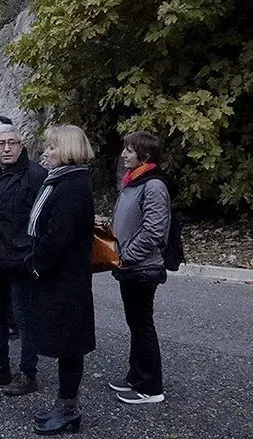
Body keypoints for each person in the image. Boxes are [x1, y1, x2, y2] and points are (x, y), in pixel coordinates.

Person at [26, 125, 96, 435]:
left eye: (53, 147)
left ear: (67, 149)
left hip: (66, 280)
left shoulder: (71, 186)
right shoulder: (65, 181)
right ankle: (65, 406)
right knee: (66, 344)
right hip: (63, 277)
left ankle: (68, 409)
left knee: (69, 346)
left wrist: (37, 265)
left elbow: (57, 236)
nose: (46, 152)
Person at [0, 123, 46, 396]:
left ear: (21, 145)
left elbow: (44, 220)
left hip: (20, 260)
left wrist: (32, 254)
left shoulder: (35, 175)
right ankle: (0, 366)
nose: (7, 148)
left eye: (12, 143)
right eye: (1, 143)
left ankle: (28, 372)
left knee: (24, 319)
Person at [110, 130, 171, 405]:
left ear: (144, 156)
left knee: (143, 324)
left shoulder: (153, 185)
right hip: (131, 267)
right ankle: (136, 376)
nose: (124, 154)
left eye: (129, 150)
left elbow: (155, 231)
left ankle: (151, 386)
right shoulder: (133, 182)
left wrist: (128, 255)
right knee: (135, 323)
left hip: (142, 267)